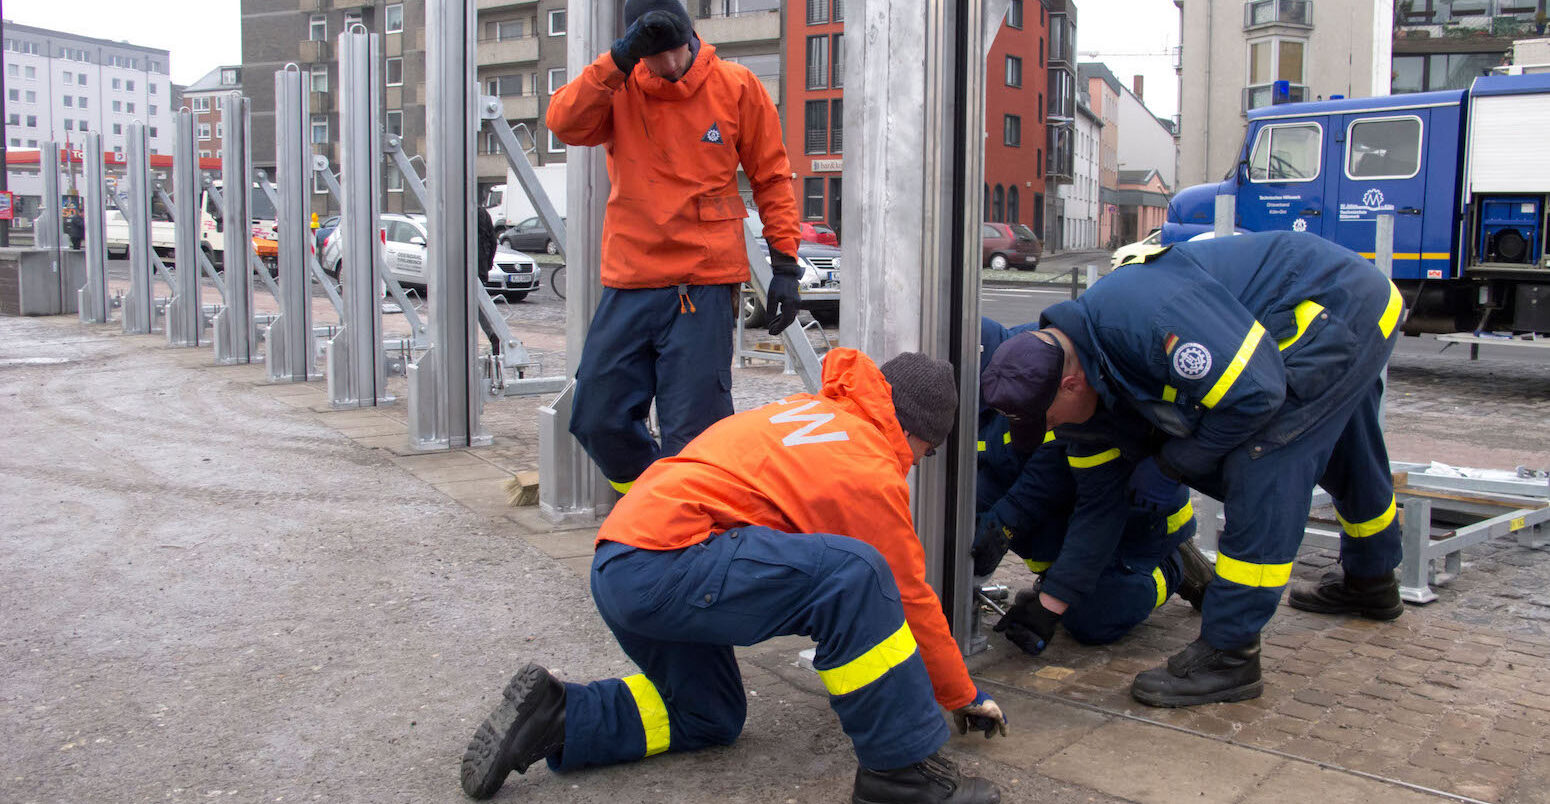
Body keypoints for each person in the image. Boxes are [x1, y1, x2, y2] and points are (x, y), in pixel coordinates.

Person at [461, 349, 1006, 804]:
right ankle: (902, 776)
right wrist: (961, 694)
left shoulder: (804, 414)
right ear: (914, 431)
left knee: (710, 716)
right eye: (927, 452)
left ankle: (559, 715)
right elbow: (910, 597)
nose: (918, 461)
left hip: (619, 563)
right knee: (858, 575)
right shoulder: (865, 464)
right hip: (666, 563)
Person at [979, 231, 1406, 707]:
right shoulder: (1085, 395)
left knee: (1264, 458)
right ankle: (1372, 581)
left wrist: (1171, 464)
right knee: (1348, 443)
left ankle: (1230, 653)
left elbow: (1259, 395)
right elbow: (1101, 503)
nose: (1053, 429)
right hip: (1284, 334)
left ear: (1071, 384)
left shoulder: (1146, 322)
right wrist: (1051, 603)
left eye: (1049, 419)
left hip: (1336, 305)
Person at [547, 0, 803, 494]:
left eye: (675, 50)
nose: (668, 66)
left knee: (695, 437)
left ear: (691, 36)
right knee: (597, 417)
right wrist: (618, 59)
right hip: (632, 278)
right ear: (637, 54)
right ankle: (655, 499)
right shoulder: (617, 87)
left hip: (702, 284)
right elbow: (563, 123)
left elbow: (772, 177)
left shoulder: (736, 86)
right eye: (652, 55)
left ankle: (684, 537)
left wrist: (785, 265)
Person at [973, 318, 1211, 655]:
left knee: (1091, 619)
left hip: (1136, 521)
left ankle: (1173, 569)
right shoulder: (990, 383)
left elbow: (1057, 476)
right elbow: (991, 469)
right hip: (1075, 510)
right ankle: (1059, 580)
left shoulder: (1043, 373)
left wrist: (1050, 602)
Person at [475, 206, 502, 356]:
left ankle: (492, 333)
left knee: (471, 306)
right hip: (480, 266)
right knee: (478, 305)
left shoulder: (458, 210)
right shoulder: (482, 213)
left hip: (462, 268)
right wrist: (487, 263)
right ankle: (493, 332)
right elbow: (493, 241)